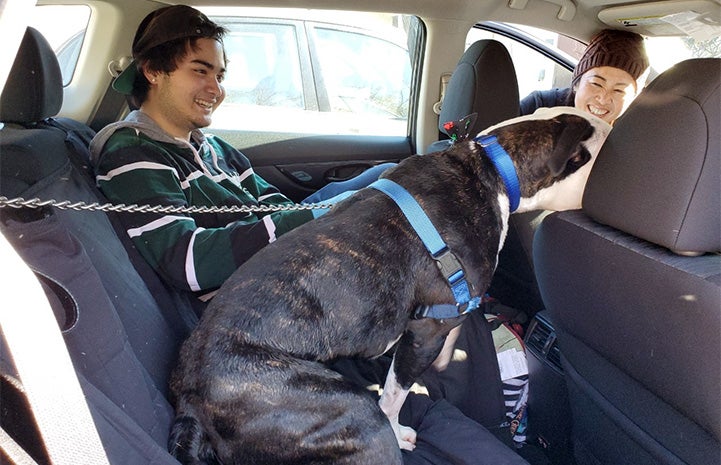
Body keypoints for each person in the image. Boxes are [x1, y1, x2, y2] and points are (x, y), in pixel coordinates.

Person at [90, 6, 527, 465]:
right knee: (392, 188)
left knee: (389, 177)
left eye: (220, 74)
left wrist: (332, 217)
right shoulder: (133, 152)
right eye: (200, 72)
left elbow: (279, 207)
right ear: (154, 71)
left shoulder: (211, 149)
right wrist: (330, 218)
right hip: (254, 317)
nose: (215, 89)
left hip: (286, 280)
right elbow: (186, 260)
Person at [520, 28, 650, 125]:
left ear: (633, 98)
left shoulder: (635, 136)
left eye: (618, 91)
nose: (603, 99)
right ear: (577, 83)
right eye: (596, 83)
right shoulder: (540, 106)